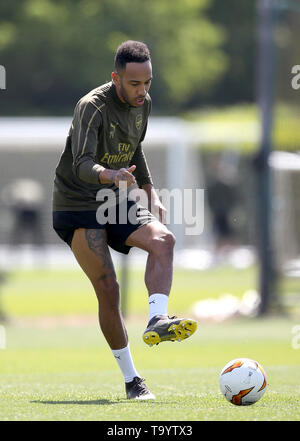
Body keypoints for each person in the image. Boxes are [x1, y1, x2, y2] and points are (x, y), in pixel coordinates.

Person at [52, 40, 197, 401]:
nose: (142, 90)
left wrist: (150, 189)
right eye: (134, 83)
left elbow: (135, 148)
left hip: (114, 196)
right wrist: (111, 175)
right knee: (108, 288)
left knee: (164, 240)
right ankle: (133, 380)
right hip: (78, 202)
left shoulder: (142, 105)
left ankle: (157, 320)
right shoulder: (91, 107)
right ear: (116, 77)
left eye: (148, 82)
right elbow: (81, 163)